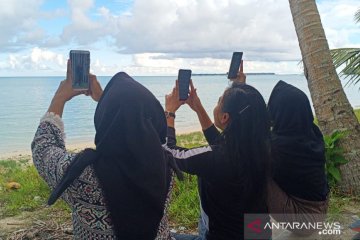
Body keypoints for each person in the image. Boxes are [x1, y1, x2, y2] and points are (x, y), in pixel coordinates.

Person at [31, 60, 182, 239]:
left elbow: (43, 148)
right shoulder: (165, 170)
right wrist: (104, 98)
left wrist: (60, 97)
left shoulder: (84, 176)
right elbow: (143, 129)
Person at [164, 65, 272, 240]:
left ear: (225, 118)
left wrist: (170, 113)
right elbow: (221, 142)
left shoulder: (216, 158)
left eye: (218, 101)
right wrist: (198, 107)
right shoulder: (263, 146)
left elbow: (170, 153)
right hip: (258, 232)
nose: (216, 104)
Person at [267, 80, 329, 235]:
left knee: (252, 168)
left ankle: (247, 231)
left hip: (304, 220)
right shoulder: (310, 132)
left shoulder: (281, 146)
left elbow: (243, 148)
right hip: (319, 210)